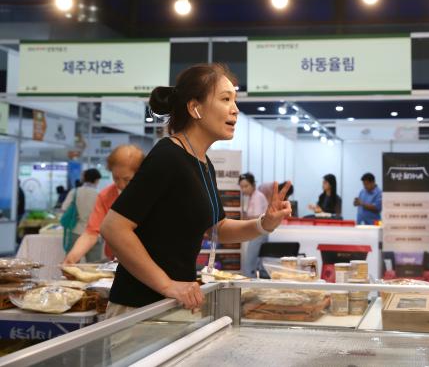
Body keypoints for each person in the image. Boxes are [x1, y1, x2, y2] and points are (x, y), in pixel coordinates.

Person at [101, 63, 292, 317]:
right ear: (195, 108)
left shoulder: (203, 163)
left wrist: (264, 224)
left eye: (234, 100)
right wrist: (167, 284)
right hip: (139, 308)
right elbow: (113, 228)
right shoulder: (168, 155)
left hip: (174, 305)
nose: (235, 109)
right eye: (225, 99)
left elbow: (217, 228)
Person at [63, 145, 145, 264]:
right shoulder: (105, 196)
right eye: (116, 178)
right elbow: (91, 233)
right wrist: (72, 258)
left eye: (127, 180)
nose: (121, 185)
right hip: (116, 261)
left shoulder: (151, 193)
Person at [61, 168, 102, 261]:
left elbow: (64, 208)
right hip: (95, 233)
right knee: (93, 266)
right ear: (96, 180)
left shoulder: (75, 192)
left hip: (76, 230)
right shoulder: (99, 194)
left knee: (71, 265)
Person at [239, 172, 269, 277]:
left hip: (259, 233)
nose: (243, 189)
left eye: (246, 186)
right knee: (257, 264)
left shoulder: (258, 197)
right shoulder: (251, 197)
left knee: (249, 265)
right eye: (241, 187)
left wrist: (245, 218)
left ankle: (248, 290)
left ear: (253, 185)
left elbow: (259, 217)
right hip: (255, 232)